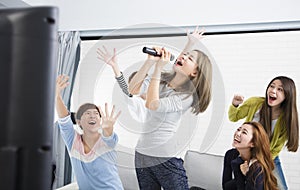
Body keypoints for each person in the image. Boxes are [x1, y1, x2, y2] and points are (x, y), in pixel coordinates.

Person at [126, 30, 212, 189]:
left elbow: (152, 104)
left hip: (165, 158)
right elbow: (131, 90)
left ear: (195, 72)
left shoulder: (187, 96)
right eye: (185, 55)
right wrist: (150, 62)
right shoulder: (161, 81)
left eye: (190, 58)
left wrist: (158, 69)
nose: (184, 57)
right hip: (142, 154)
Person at [228, 76, 299, 190]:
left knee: (281, 188)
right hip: (247, 152)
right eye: (272, 86)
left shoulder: (286, 120)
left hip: (268, 157)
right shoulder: (255, 103)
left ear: (287, 95)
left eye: (280, 89)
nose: (273, 90)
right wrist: (234, 104)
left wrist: (259, 161)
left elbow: (276, 149)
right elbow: (233, 117)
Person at [55, 75, 124, 190]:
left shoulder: (108, 142)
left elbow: (109, 136)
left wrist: (108, 129)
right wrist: (57, 96)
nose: (92, 116)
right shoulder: (73, 141)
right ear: (78, 121)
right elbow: (64, 120)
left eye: (96, 114)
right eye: (87, 113)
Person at [230, 121, 278, 190]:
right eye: (238, 129)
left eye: (244, 132)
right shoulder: (237, 159)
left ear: (253, 143)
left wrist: (246, 175)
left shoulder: (257, 168)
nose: (237, 133)